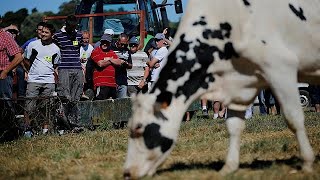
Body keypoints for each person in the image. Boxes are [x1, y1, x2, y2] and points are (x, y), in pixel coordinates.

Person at [23, 23, 60, 136]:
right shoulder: (32, 45)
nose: (43, 34)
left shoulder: (56, 49)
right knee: (29, 107)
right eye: (42, 31)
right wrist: (29, 72)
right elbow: (26, 60)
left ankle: (45, 131)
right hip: (33, 80)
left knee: (47, 108)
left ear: (52, 35)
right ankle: (28, 130)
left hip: (49, 81)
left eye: (46, 32)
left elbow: (55, 65)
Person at [53, 15, 84, 131]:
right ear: (66, 24)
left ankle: (74, 124)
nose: (72, 29)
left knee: (77, 95)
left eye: (74, 27)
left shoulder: (79, 35)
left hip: (77, 67)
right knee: (65, 96)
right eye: (70, 26)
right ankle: (63, 125)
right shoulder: (57, 36)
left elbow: (77, 50)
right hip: (64, 68)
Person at [0, 23, 23, 136]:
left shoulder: (5, 37)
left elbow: (19, 57)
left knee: (6, 103)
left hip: (3, 75)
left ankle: (10, 132)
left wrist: (5, 71)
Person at [91, 34, 122, 100]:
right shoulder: (96, 51)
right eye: (103, 42)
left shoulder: (112, 52)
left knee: (111, 105)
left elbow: (119, 62)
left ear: (110, 43)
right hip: (101, 83)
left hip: (112, 83)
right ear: (100, 42)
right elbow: (100, 64)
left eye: (107, 42)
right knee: (99, 103)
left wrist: (108, 59)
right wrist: (112, 60)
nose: (105, 44)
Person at [112, 33, 133, 98]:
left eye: (125, 44)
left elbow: (130, 65)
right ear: (118, 41)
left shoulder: (127, 50)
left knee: (122, 102)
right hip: (112, 79)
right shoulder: (111, 48)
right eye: (122, 44)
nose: (123, 46)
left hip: (122, 80)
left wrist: (125, 63)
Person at [80, 31, 94, 100]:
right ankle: (81, 93)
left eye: (87, 38)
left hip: (87, 67)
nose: (85, 40)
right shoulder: (78, 47)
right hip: (79, 66)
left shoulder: (91, 48)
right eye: (84, 38)